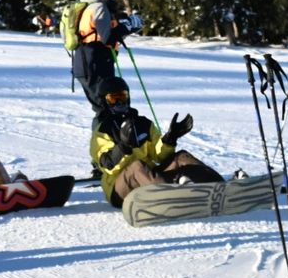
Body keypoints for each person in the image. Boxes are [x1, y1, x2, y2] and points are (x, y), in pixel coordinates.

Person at [89, 76, 220, 205]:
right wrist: (123, 147)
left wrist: (170, 138)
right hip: (119, 187)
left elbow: (159, 156)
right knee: (137, 166)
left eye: (122, 97)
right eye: (113, 99)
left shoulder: (143, 124)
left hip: (149, 178)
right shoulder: (103, 130)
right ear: (104, 101)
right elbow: (107, 165)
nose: (119, 103)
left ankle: (219, 187)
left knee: (181, 157)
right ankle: (170, 196)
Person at [68, 0, 143, 110]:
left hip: (89, 63)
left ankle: (110, 125)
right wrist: (128, 26)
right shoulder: (98, 8)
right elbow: (107, 38)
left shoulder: (92, 6)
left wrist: (125, 26)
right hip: (95, 64)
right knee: (108, 109)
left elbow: (102, 33)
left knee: (106, 108)